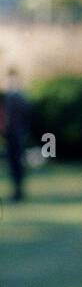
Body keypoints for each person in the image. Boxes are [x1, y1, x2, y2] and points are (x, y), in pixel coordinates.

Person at [1, 68, 32, 202]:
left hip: (17, 134)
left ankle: (19, 191)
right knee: (14, 164)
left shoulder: (17, 96)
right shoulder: (11, 96)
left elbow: (26, 116)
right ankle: (17, 191)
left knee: (17, 164)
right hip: (12, 135)